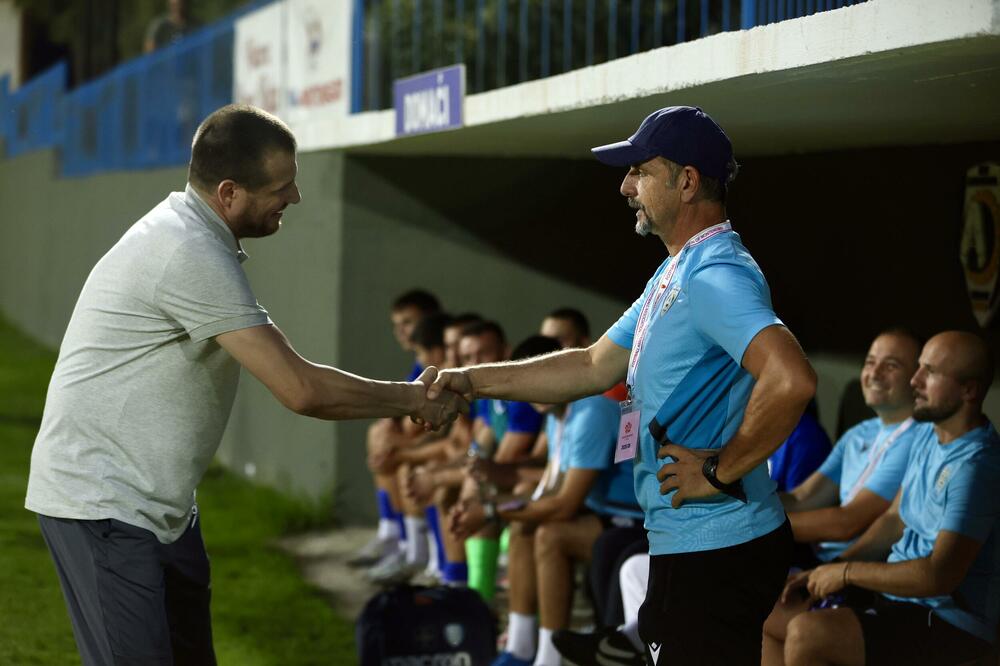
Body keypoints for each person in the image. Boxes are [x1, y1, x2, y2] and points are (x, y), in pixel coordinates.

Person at [24, 104, 465, 666]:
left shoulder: (193, 236)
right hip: (104, 506)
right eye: (282, 186)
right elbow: (300, 388)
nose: (296, 198)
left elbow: (294, 369)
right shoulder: (188, 251)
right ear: (228, 192)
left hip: (159, 507)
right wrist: (410, 399)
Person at [427, 105, 816, 665]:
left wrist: (717, 470)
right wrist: (470, 380)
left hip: (715, 543)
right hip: (691, 540)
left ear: (686, 182)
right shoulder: (678, 269)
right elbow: (589, 366)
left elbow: (792, 378)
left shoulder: (713, 275)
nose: (624, 185)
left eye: (640, 170)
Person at [771, 331, 999, 666]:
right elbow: (894, 520)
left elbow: (939, 576)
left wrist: (847, 572)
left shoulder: (978, 466)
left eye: (931, 372)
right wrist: (830, 569)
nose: (915, 380)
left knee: (810, 633)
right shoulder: (930, 435)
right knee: (769, 608)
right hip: (898, 598)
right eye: (919, 368)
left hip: (949, 620)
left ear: (969, 391)